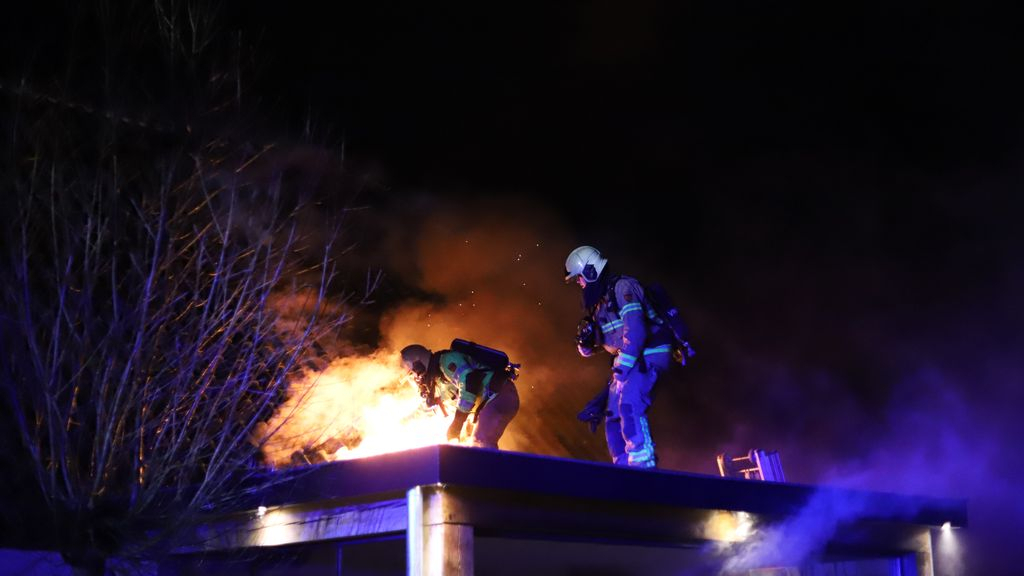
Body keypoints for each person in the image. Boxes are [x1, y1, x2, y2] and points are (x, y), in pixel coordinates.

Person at [565, 245, 674, 469]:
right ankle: (623, 469)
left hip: (650, 353)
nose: (579, 283)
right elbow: (612, 339)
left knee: (629, 405)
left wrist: (622, 369)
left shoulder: (623, 287)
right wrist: (587, 346)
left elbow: (636, 331)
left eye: (579, 278)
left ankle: (643, 465)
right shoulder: (599, 303)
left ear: (590, 272)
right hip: (629, 357)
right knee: (612, 415)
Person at [399, 341, 520, 449]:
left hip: (499, 394)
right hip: (494, 398)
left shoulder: (447, 360)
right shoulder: (439, 382)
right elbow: (428, 408)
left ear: (418, 364)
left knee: (480, 444)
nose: (415, 379)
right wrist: (404, 423)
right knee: (472, 446)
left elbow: (469, 381)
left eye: (412, 374)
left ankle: (495, 474)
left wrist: (458, 422)